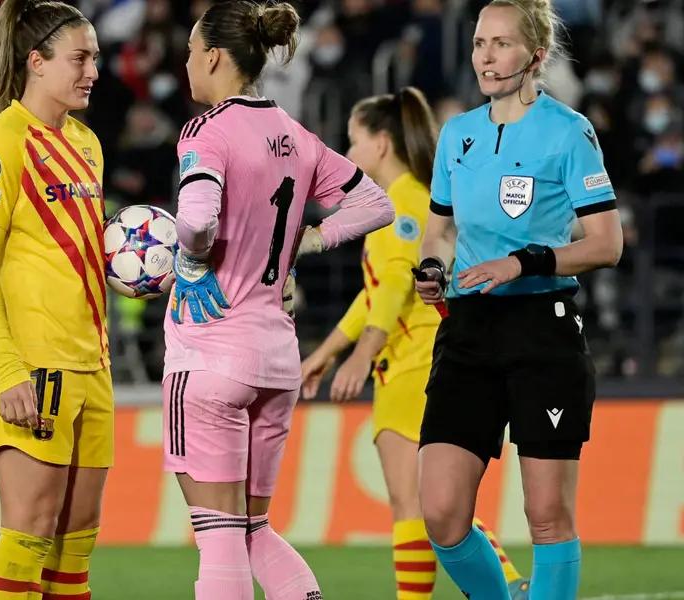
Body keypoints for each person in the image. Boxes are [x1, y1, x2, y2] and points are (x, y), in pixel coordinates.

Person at [163, 2, 395, 599]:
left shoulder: (206, 131)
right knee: (253, 529)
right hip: (276, 359)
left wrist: (190, 260)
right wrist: (309, 239)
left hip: (211, 352)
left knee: (218, 536)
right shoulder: (295, 134)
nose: (186, 63)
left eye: (190, 52)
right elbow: (377, 204)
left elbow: (195, 221)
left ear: (214, 56)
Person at [414, 2, 622, 599]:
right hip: (468, 332)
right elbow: (440, 231)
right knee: (442, 513)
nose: (485, 56)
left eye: (501, 44)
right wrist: (433, 268)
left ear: (535, 54)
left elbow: (607, 244)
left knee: (547, 515)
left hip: (542, 330)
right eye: (480, 42)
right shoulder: (457, 134)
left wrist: (524, 262)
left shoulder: (568, 131)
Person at [299, 88, 529, 600]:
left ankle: (505, 588)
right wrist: (325, 354)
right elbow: (374, 294)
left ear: (381, 143)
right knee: (433, 505)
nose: (348, 152)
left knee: (413, 505)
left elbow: (395, 288)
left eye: (353, 140)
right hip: (421, 359)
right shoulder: (411, 198)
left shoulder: (399, 204)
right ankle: (512, 585)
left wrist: (359, 357)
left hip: (413, 363)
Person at [0, 0, 109, 597]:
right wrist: (9, 368)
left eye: (95, 58)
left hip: (90, 361)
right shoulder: (3, 143)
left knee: (75, 543)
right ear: (37, 62)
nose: (92, 71)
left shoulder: (87, 143)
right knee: (29, 530)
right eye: (80, 58)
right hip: (29, 362)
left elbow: (74, 252)